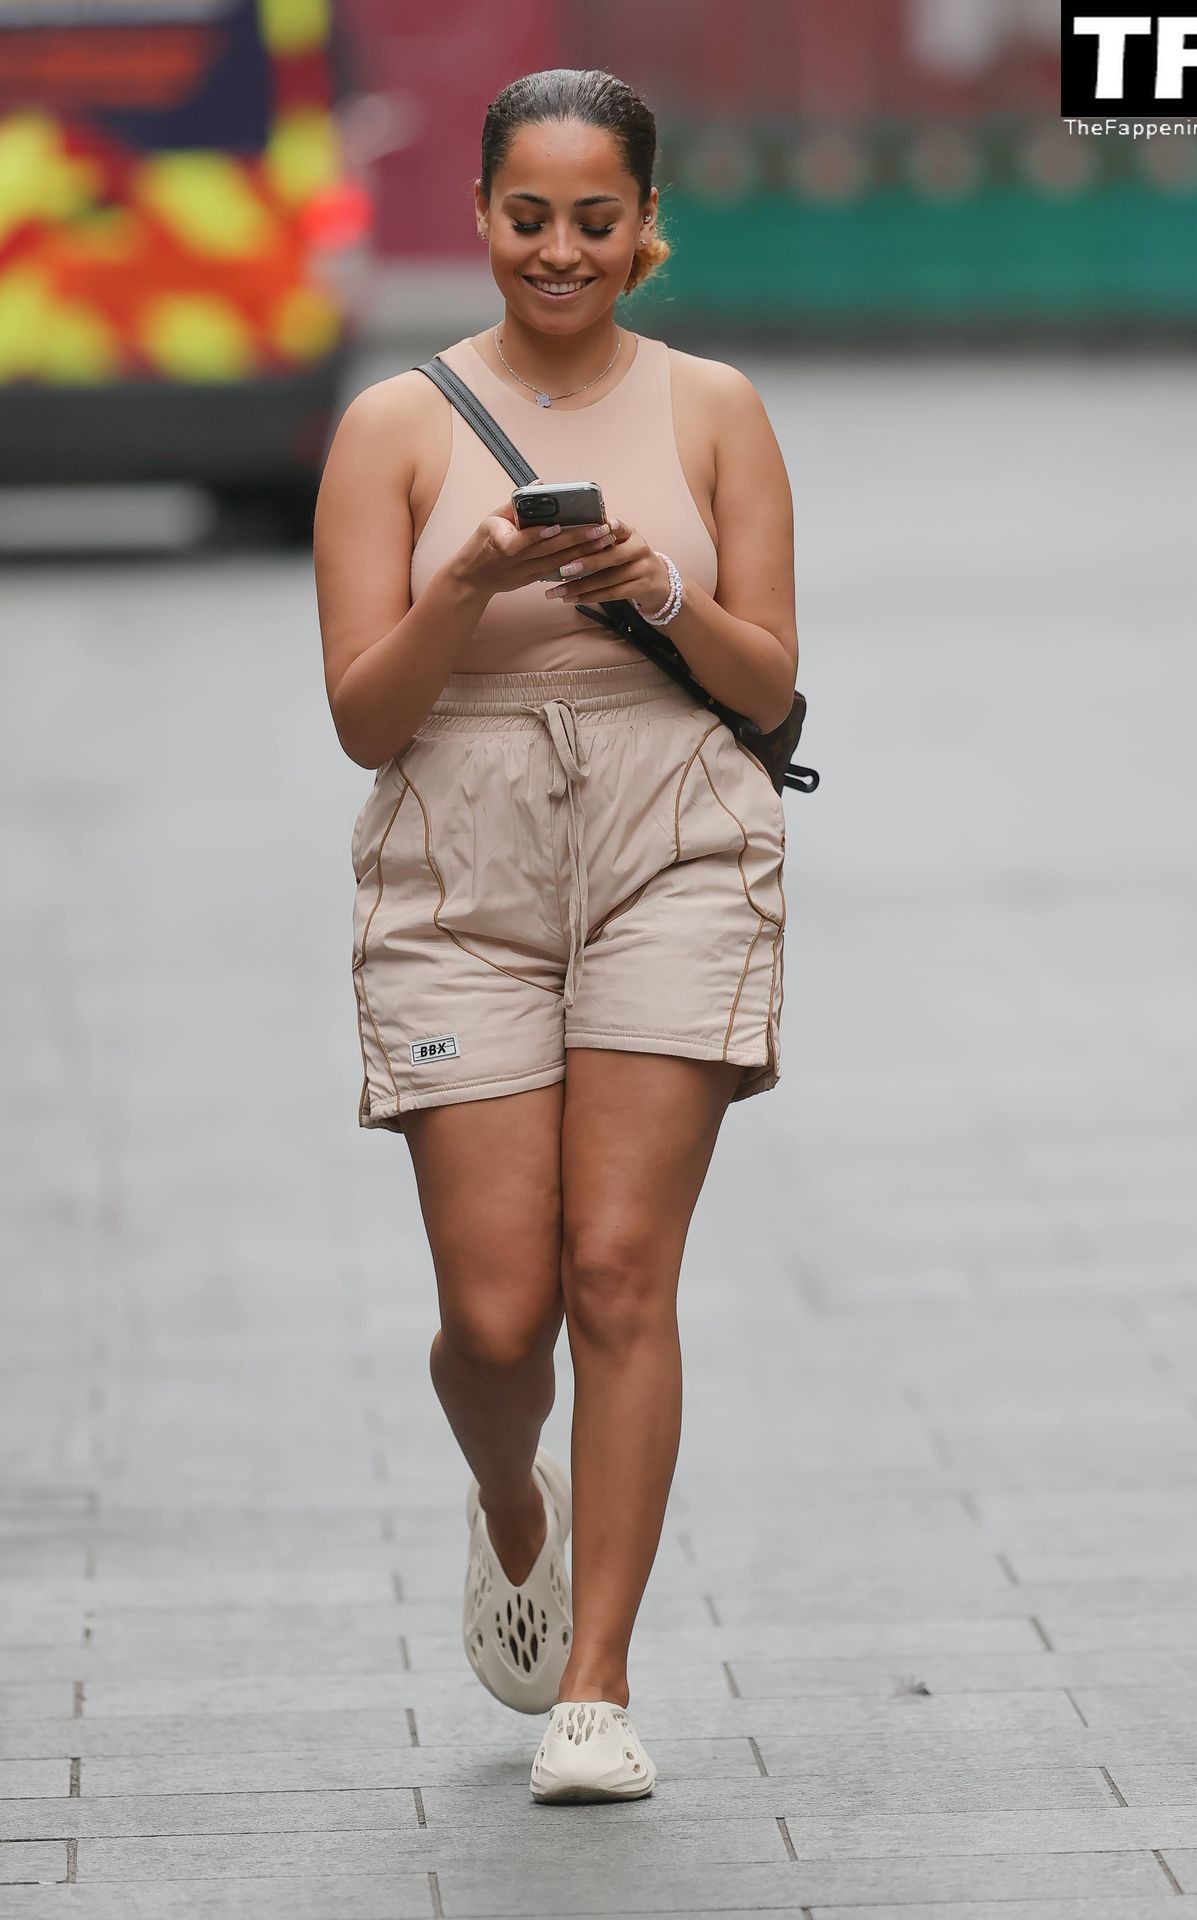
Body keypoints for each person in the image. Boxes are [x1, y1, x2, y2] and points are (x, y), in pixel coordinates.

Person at [313, 67, 797, 1803]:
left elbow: (774, 688)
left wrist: (659, 591)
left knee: (617, 1276)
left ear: (646, 223)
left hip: (676, 840)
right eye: (531, 217)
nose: (563, 250)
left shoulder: (717, 410)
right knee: (500, 1318)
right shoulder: (394, 427)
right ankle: (515, 1501)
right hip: (463, 867)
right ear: (481, 218)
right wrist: (468, 584)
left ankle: (596, 1686)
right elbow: (364, 721)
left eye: (598, 219)